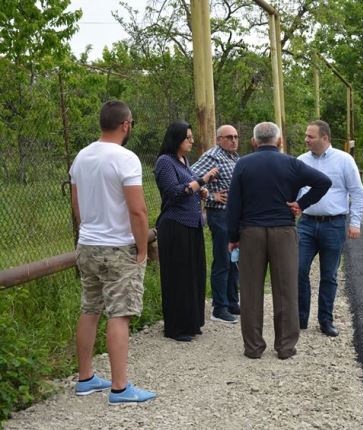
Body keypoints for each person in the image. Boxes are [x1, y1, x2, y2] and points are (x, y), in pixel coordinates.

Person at [69, 100, 156, 404]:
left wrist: (88, 233)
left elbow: (77, 206)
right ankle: (120, 387)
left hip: (88, 244)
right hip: (118, 246)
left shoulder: (81, 157)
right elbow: (138, 211)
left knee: (90, 309)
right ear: (126, 125)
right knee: (120, 313)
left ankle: (85, 378)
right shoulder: (126, 159)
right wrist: (143, 248)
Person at [226, 122, 331, 359]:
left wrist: (233, 237)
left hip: (251, 232)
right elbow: (324, 182)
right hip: (283, 230)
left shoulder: (243, 164)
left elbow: (234, 204)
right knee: (285, 290)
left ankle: (253, 347)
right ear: (279, 141)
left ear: (254, 142)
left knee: (251, 290)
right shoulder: (292, 163)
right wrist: (301, 205)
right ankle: (285, 347)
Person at [297, 120, 363, 337]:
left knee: (329, 275)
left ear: (325, 138)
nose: (306, 140)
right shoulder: (301, 161)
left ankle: (325, 320)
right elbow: (293, 191)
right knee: (298, 270)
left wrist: (355, 223)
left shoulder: (344, 160)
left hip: (333, 225)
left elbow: (356, 192)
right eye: (306, 136)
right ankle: (300, 318)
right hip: (306, 224)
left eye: (311, 136)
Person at [154, 121, 219, 342]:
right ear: (176, 139)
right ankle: (176, 326)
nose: (191, 141)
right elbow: (174, 192)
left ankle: (191, 322)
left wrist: (200, 190)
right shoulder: (165, 162)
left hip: (192, 224)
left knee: (194, 274)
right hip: (175, 225)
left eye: (191, 137)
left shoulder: (183, 161)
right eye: (187, 138)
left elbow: (189, 188)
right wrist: (201, 180)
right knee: (178, 276)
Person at [191, 125, 240, 323]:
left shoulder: (234, 157)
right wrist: (210, 195)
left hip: (233, 215)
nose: (234, 140)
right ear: (219, 139)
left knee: (233, 260)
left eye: (236, 136)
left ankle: (231, 301)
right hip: (219, 215)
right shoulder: (213, 156)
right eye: (229, 137)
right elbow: (190, 176)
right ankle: (219, 308)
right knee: (222, 260)